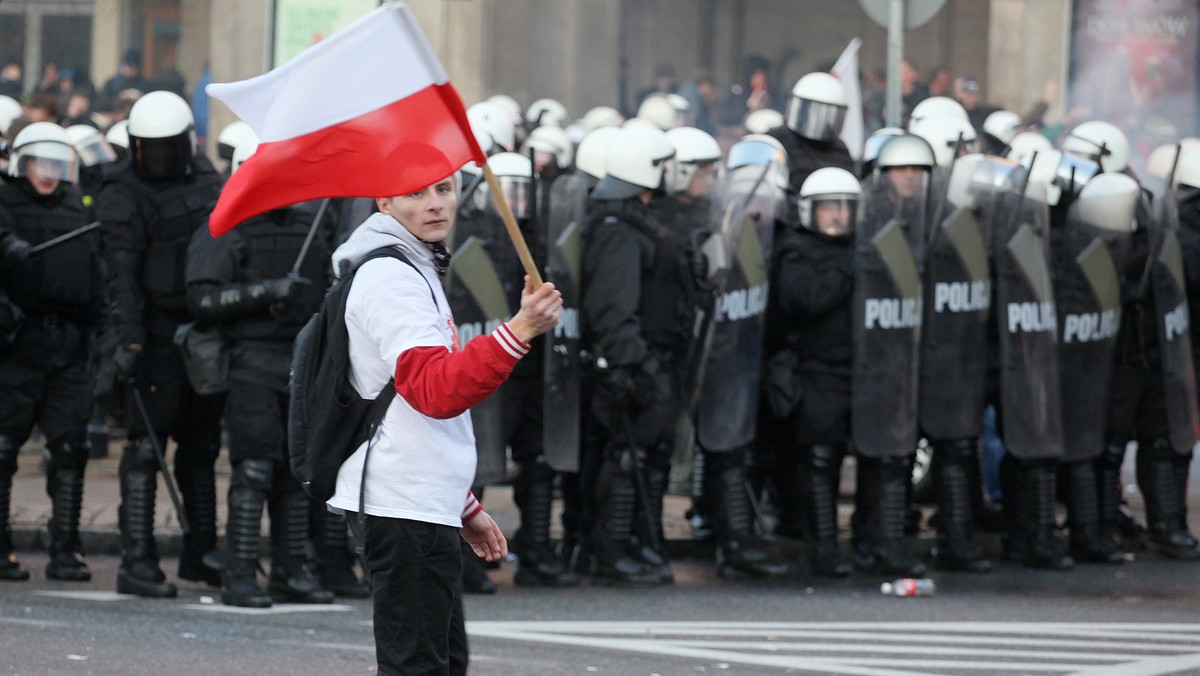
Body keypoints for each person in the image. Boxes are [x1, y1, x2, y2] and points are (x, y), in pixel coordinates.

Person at [325, 173, 561, 674]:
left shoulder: (415, 261)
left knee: (444, 662)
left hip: (421, 495)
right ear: (384, 199)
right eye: (415, 193)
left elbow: (413, 412)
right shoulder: (390, 277)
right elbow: (435, 391)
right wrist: (520, 330)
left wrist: (462, 501)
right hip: (400, 499)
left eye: (443, 189)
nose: (435, 205)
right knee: (419, 666)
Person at [186, 137, 339, 607]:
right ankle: (240, 574)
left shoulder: (313, 223)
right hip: (250, 362)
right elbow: (202, 299)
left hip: (299, 363)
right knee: (253, 470)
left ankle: (290, 572)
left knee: (296, 474)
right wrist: (264, 292)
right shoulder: (226, 225)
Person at [97, 91, 226, 597]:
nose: (159, 159)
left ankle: (200, 553)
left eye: (166, 148)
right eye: (148, 148)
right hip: (150, 335)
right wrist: (128, 344)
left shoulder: (206, 179)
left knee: (201, 447)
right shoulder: (120, 193)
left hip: (201, 331)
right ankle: (137, 558)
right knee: (144, 449)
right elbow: (120, 277)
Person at [581, 124, 687, 586]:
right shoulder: (617, 231)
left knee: (646, 459)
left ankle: (638, 544)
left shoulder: (639, 223)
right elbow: (612, 307)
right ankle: (612, 550)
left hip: (652, 360)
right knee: (627, 460)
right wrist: (633, 365)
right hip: (634, 367)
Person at [0, 122, 104, 582]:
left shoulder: (78, 206)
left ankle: (66, 548)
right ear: (24, 163)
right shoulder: (4, 202)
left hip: (68, 344)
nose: (49, 173)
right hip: (17, 344)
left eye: (58, 164)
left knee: (70, 449)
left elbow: (97, 272)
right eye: (41, 162)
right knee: (4, 450)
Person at [773, 166, 860, 576]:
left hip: (860, 369)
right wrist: (846, 271)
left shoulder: (861, 247)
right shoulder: (797, 249)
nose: (838, 216)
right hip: (817, 370)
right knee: (819, 460)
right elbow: (803, 299)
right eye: (829, 208)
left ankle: (868, 540)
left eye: (845, 208)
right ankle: (823, 547)